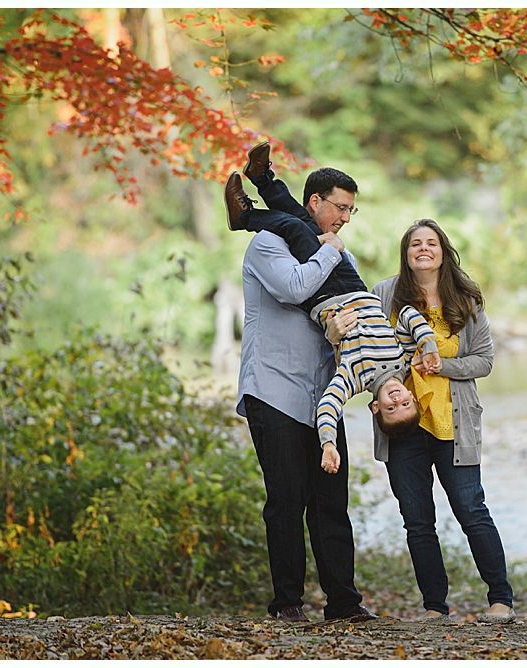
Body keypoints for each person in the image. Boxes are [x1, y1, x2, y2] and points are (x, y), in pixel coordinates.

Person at [223, 142, 375, 623]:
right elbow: (294, 288)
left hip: (321, 396)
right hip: (275, 391)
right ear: (317, 203)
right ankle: (286, 603)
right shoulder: (268, 244)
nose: (346, 219)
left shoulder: (308, 238)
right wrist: (331, 254)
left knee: (331, 503)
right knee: (286, 502)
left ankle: (344, 604)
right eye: (340, 208)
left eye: (352, 210)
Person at [227, 145, 443, 475]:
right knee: (299, 221)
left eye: (391, 407)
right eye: (404, 403)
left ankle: (245, 217)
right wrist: (427, 342)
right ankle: (263, 179)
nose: (397, 398)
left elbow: (329, 404)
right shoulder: (403, 360)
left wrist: (328, 443)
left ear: (376, 407)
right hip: (355, 288)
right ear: (413, 398)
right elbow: (407, 317)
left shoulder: (356, 377)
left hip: (326, 298)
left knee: (297, 227)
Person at [365, 218, 516, 623]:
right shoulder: (384, 294)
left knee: (472, 511)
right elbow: (367, 352)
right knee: (417, 522)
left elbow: (484, 360)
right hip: (403, 428)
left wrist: (442, 365)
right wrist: (389, 385)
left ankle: (500, 600)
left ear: (443, 251)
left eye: (431, 242)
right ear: (406, 252)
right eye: (416, 243)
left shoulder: (466, 298)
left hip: (455, 425)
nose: (423, 249)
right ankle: (435, 607)